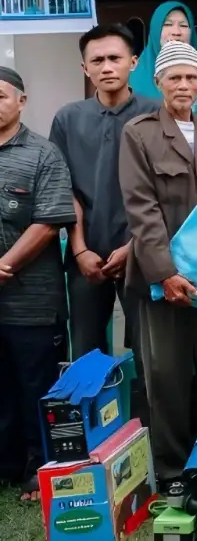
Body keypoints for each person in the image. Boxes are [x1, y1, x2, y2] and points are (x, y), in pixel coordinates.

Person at [119, 41, 197, 484]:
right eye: (175, 77)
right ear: (158, 82)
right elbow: (141, 208)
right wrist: (166, 273)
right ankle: (172, 470)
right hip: (162, 277)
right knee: (167, 376)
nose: (184, 85)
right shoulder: (139, 133)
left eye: (192, 77)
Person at [51, 25, 159, 364]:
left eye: (115, 58)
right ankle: (92, 418)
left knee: (151, 350)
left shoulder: (157, 114)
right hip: (86, 254)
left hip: (142, 251)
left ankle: (151, 418)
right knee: (85, 350)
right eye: (97, 60)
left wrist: (133, 247)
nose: (106, 67)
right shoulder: (69, 118)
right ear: (85, 68)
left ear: (134, 62)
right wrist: (80, 249)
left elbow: (165, 191)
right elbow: (63, 188)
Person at [0, 67, 76, 502]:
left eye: (2, 96)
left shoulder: (44, 154)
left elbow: (50, 222)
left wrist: (4, 266)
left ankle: (39, 469)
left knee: (36, 388)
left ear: (21, 101)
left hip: (33, 302)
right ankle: (6, 465)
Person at [129, 1, 197, 98]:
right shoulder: (132, 81)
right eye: (167, 24)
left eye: (183, 25)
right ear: (155, 30)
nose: (176, 32)